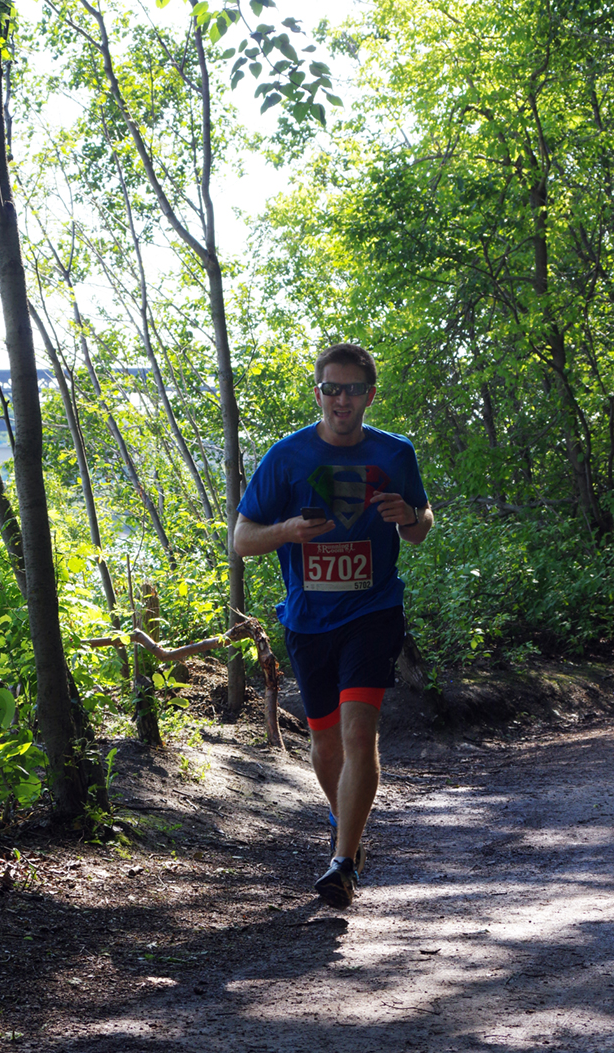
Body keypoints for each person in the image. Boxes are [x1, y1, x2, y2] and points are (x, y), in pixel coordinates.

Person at [234, 343, 433, 908]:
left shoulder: (395, 453)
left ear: (370, 394)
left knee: (357, 730)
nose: (342, 399)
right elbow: (242, 540)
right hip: (308, 620)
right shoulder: (287, 457)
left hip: (372, 613)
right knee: (324, 743)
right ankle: (344, 821)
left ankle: (343, 859)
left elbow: (420, 525)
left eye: (353, 389)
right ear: (318, 392)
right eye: (332, 388)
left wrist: (410, 517)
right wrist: (288, 531)